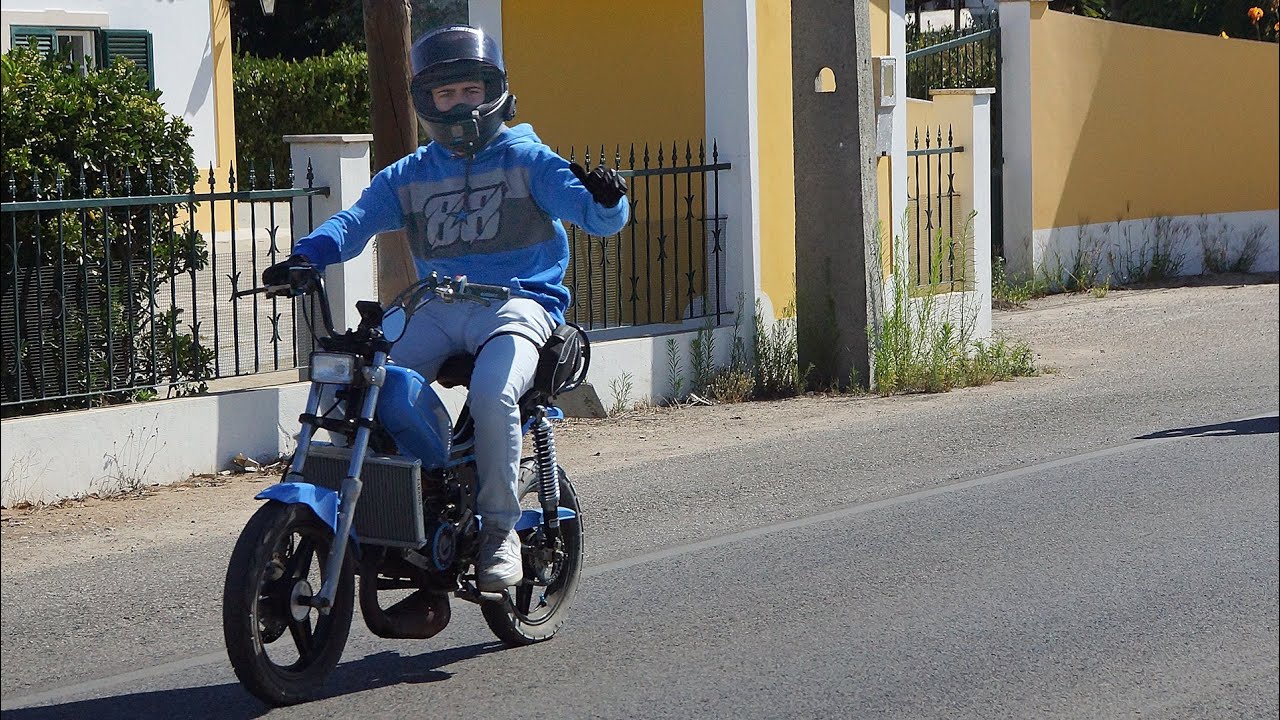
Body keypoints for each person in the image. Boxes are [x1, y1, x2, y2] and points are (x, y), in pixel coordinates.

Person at [262, 24, 629, 591]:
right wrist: (308, 255)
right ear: (426, 101)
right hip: (437, 305)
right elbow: (355, 222)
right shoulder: (410, 175)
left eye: (469, 90)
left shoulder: (528, 159)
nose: (458, 104)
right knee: (359, 381)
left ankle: (500, 532)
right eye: (444, 94)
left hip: (519, 302)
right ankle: (406, 490)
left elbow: (596, 217)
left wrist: (610, 198)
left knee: (492, 393)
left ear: (493, 91)